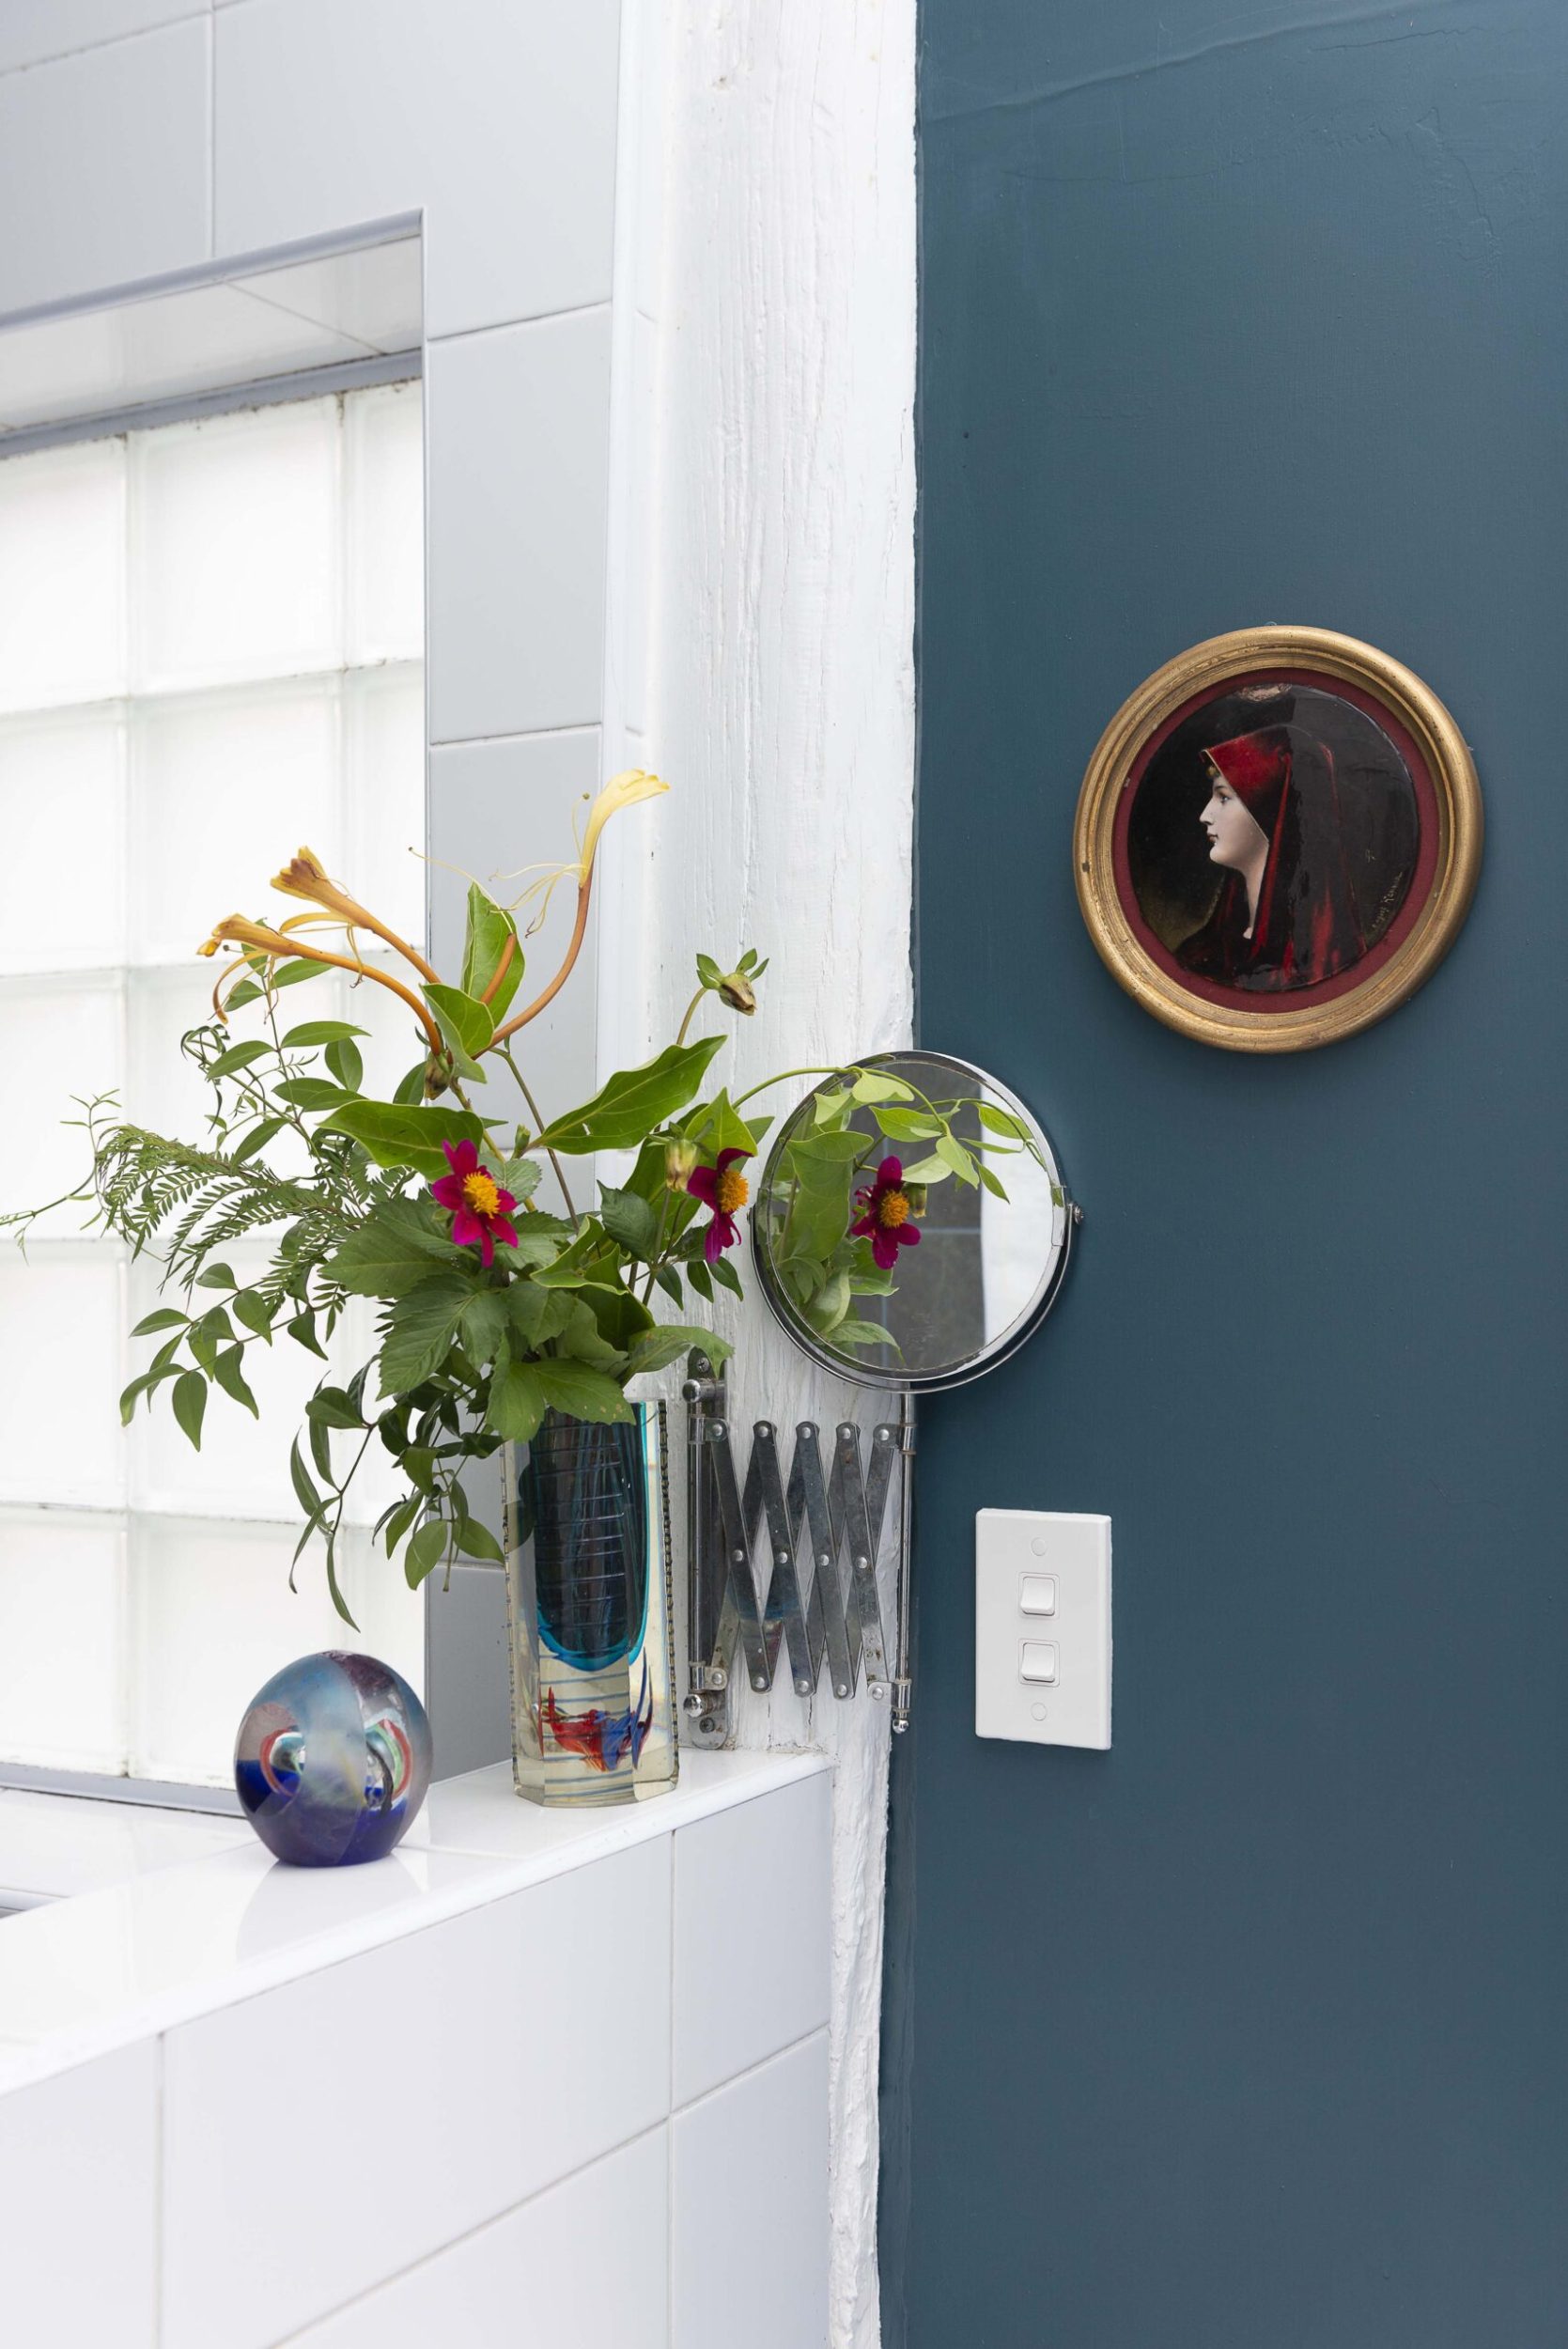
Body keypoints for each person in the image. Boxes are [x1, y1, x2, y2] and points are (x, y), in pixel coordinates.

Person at [1176, 723, 1367, 989]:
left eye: (1224, 798)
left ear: (1270, 811)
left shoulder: (1320, 964)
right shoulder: (1203, 951)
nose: (1205, 816)